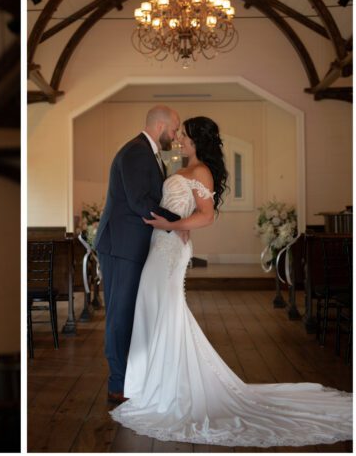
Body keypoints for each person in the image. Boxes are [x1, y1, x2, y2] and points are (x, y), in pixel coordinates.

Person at [111, 116, 352, 446]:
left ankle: (166, 387)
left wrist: (175, 227)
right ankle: (150, 382)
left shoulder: (201, 172)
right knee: (152, 308)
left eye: (183, 135)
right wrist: (164, 225)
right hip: (159, 245)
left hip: (170, 249)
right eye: (178, 133)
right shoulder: (182, 167)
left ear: (197, 141)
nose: (178, 138)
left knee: (165, 308)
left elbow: (207, 216)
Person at [95, 105, 182, 404]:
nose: (176, 134)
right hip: (121, 246)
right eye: (174, 129)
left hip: (132, 245)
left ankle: (130, 377)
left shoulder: (147, 153)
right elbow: (139, 201)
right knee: (119, 315)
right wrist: (176, 222)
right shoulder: (136, 152)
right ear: (160, 126)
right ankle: (117, 385)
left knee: (130, 313)